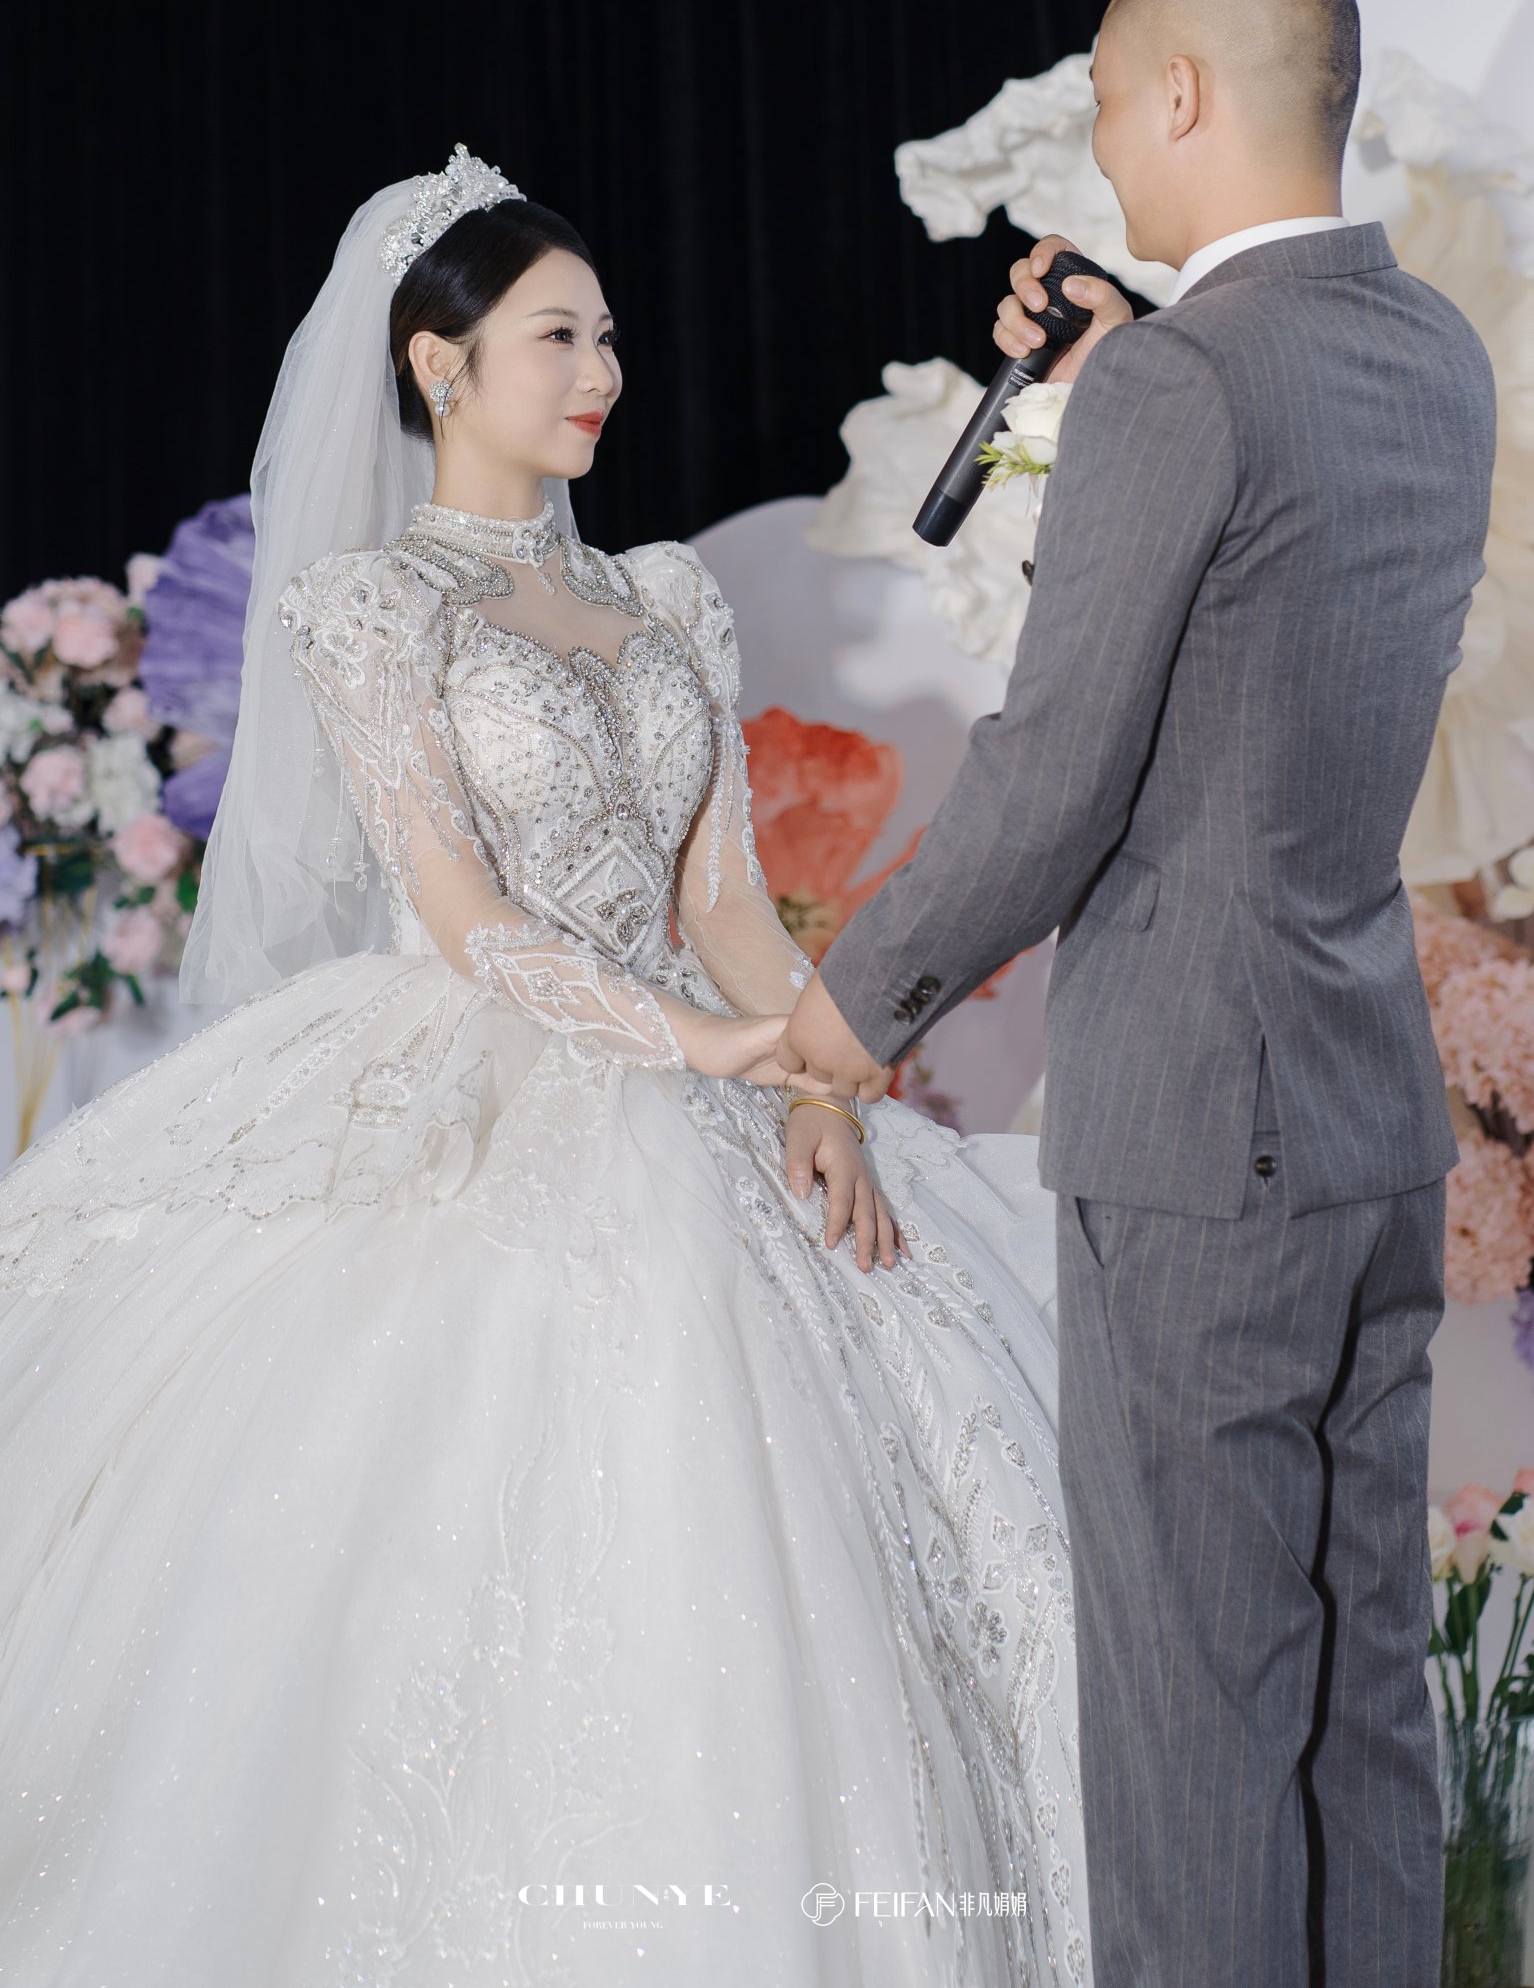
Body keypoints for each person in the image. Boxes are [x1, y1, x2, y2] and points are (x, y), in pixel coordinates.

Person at [0, 147, 1088, 1985]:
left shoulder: (667, 595)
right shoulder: (373, 606)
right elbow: (460, 911)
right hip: (484, 1070)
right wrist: (707, 1043)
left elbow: (725, 897)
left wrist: (815, 1081)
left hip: (720, 1065)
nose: (603, 372)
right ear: (440, 367)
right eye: (559, 337)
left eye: (610, 336)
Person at [781, 0, 1497, 1988]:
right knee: (1360, 1708)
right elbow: (1261, 581)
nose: (1101, 144)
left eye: (1107, 101)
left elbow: (1053, 778)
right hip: (1365, 1115)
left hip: (1198, 1142)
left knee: (1195, 1727)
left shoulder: (1181, 385)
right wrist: (1116, 375)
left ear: (1179, 93)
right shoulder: (1427, 350)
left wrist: (841, 1017)